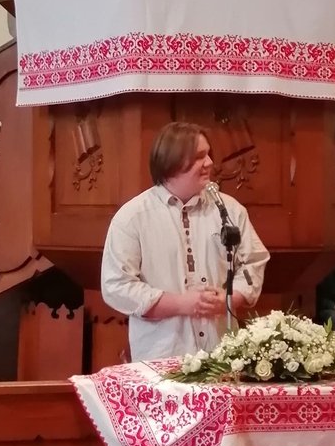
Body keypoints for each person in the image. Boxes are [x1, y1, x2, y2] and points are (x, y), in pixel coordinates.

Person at [99, 122, 269, 363]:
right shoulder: (132, 217)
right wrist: (181, 304)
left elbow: (253, 262)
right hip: (162, 357)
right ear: (172, 162)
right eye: (200, 156)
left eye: (208, 154)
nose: (210, 162)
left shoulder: (229, 210)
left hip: (222, 353)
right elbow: (116, 285)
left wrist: (230, 298)